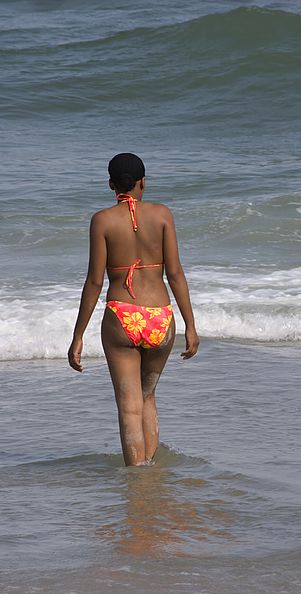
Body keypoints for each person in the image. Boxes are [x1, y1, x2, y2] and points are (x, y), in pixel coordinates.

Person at [68, 153, 199, 466]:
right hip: (161, 318)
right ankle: (150, 472)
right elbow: (176, 274)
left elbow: (94, 282)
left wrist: (78, 335)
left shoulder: (102, 220)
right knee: (148, 396)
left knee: (129, 407)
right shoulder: (163, 215)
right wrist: (190, 326)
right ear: (144, 182)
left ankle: (137, 483)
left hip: (121, 318)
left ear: (111, 184)